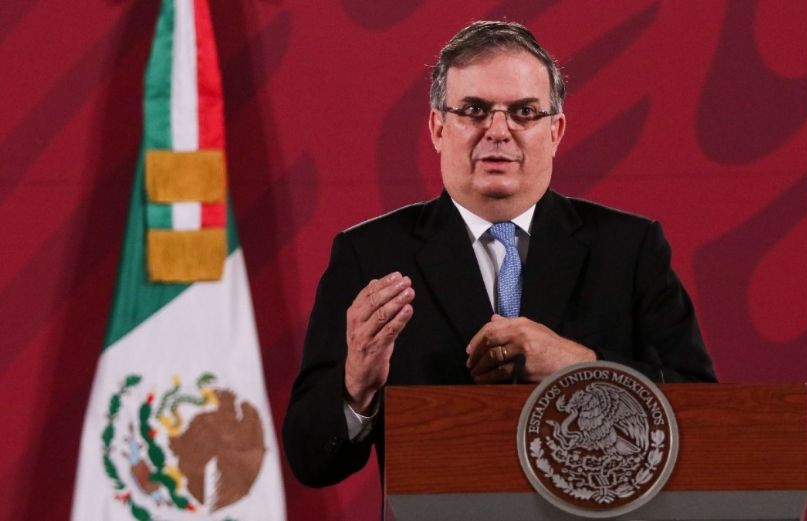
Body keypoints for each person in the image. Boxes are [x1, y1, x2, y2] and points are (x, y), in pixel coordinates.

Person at [283, 20, 716, 488]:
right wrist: (355, 386)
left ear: (555, 131)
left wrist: (579, 367)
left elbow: (705, 413)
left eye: (524, 112)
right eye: (474, 110)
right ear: (437, 128)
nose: (498, 131)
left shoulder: (629, 248)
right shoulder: (370, 255)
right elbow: (311, 460)